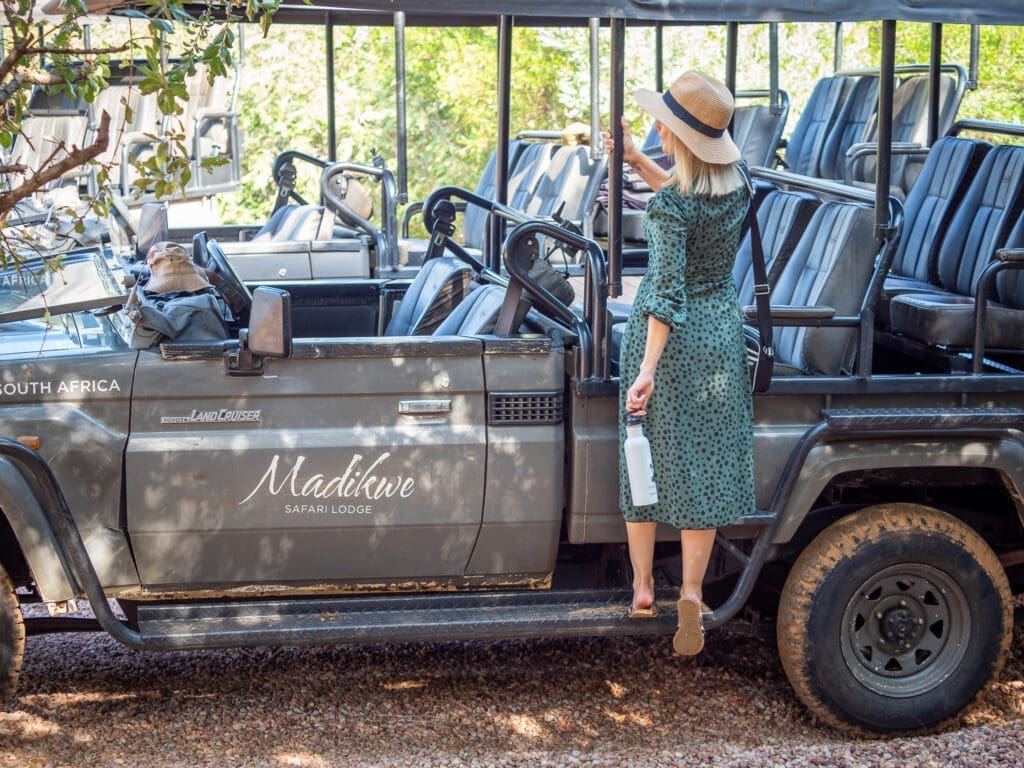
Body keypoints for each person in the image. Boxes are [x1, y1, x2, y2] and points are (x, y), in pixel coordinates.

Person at [605, 70, 756, 656]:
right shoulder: (735, 185)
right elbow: (685, 190)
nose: (657, 128)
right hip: (720, 335)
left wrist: (645, 370)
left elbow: (665, 292)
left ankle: (643, 587)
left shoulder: (669, 207)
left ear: (675, 133)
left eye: (662, 124)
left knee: (642, 461)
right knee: (705, 468)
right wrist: (636, 159)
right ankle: (691, 592)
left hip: (671, 345)